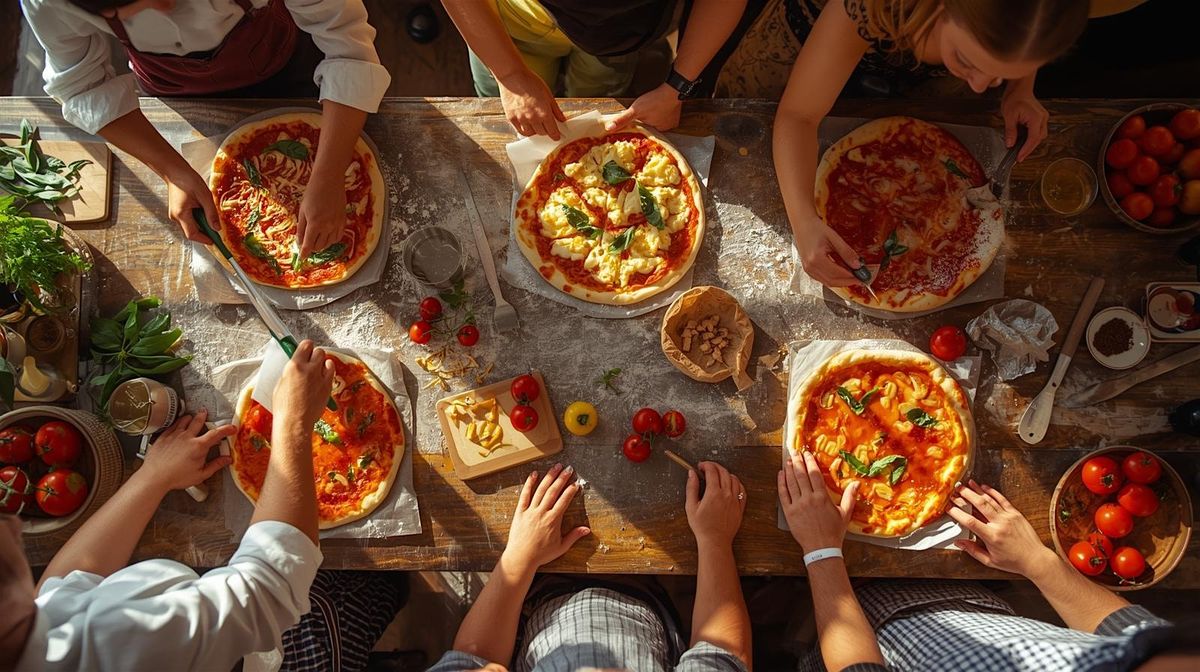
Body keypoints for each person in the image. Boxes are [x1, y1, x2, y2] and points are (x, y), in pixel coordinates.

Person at [1, 340, 398, 671]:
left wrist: (151, 477)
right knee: (359, 596)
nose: (14, 527)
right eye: (5, 528)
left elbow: (62, 586)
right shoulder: (123, 641)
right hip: (261, 653)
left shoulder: (24, 636)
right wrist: (294, 422)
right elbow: (269, 589)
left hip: (219, 611)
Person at [20, 0, 391, 259]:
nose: (167, 6)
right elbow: (83, 85)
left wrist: (328, 178)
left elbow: (348, 51)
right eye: (140, 3)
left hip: (287, 64)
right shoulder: (47, 2)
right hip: (175, 94)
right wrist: (172, 171)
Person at [768, 0, 1089, 287]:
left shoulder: (1024, 19)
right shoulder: (871, 5)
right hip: (812, 52)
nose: (979, 88)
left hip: (924, 84)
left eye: (996, 77)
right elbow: (798, 115)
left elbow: (1025, 34)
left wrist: (1020, 88)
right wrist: (804, 220)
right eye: (967, 60)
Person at [778, 450, 1184, 671]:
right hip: (974, 606)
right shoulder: (1169, 658)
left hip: (863, 643)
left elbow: (855, 668)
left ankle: (798, 627)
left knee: (808, 632)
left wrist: (822, 550)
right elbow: (1126, 628)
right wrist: (1035, 561)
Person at [428, 461, 752, 671]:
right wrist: (715, 540)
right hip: (648, 600)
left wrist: (519, 559)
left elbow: (476, 655)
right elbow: (723, 652)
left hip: (530, 601)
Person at [441, 0, 746, 139]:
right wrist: (509, 76)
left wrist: (678, 87)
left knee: (594, 114)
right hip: (518, 21)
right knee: (510, 126)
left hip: (622, 41)